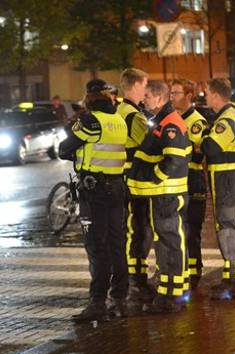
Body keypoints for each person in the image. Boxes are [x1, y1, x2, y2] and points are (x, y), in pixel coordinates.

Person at [59, 79, 129, 322]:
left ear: (88, 98)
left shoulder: (90, 121)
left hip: (95, 191)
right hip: (117, 188)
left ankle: (97, 302)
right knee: (117, 243)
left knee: (96, 247)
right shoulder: (119, 120)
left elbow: (64, 148)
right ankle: (120, 299)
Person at [126, 80, 191, 314]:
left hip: (167, 194)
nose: (144, 100)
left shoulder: (170, 124)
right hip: (163, 194)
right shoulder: (163, 121)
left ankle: (172, 296)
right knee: (165, 242)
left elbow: (173, 159)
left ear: (160, 98)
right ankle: (168, 292)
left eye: (147, 96)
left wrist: (154, 177)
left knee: (170, 241)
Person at [202, 78, 235, 302]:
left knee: (230, 227)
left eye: (207, 94)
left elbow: (211, 147)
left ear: (216, 95)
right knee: (225, 228)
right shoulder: (226, 116)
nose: (205, 97)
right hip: (224, 180)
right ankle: (230, 277)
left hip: (230, 181)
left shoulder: (227, 119)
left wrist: (200, 137)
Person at [116, 68, 153, 307]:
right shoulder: (133, 115)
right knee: (138, 227)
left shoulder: (120, 110)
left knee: (132, 227)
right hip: (134, 177)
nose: (146, 91)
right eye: (144, 86)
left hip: (123, 176)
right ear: (134, 86)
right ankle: (136, 278)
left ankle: (133, 275)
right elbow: (150, 143)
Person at [170, 79, 208, 289]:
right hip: (177, 181)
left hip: (193, 181)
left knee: (192, 229)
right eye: (171, 93)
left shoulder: (196, 122)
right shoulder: (173, 119)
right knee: (179, 228)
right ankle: (184, 269)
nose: (172, 97)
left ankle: (194, 273)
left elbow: (199, 152)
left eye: (176, 93)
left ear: (188, 96)